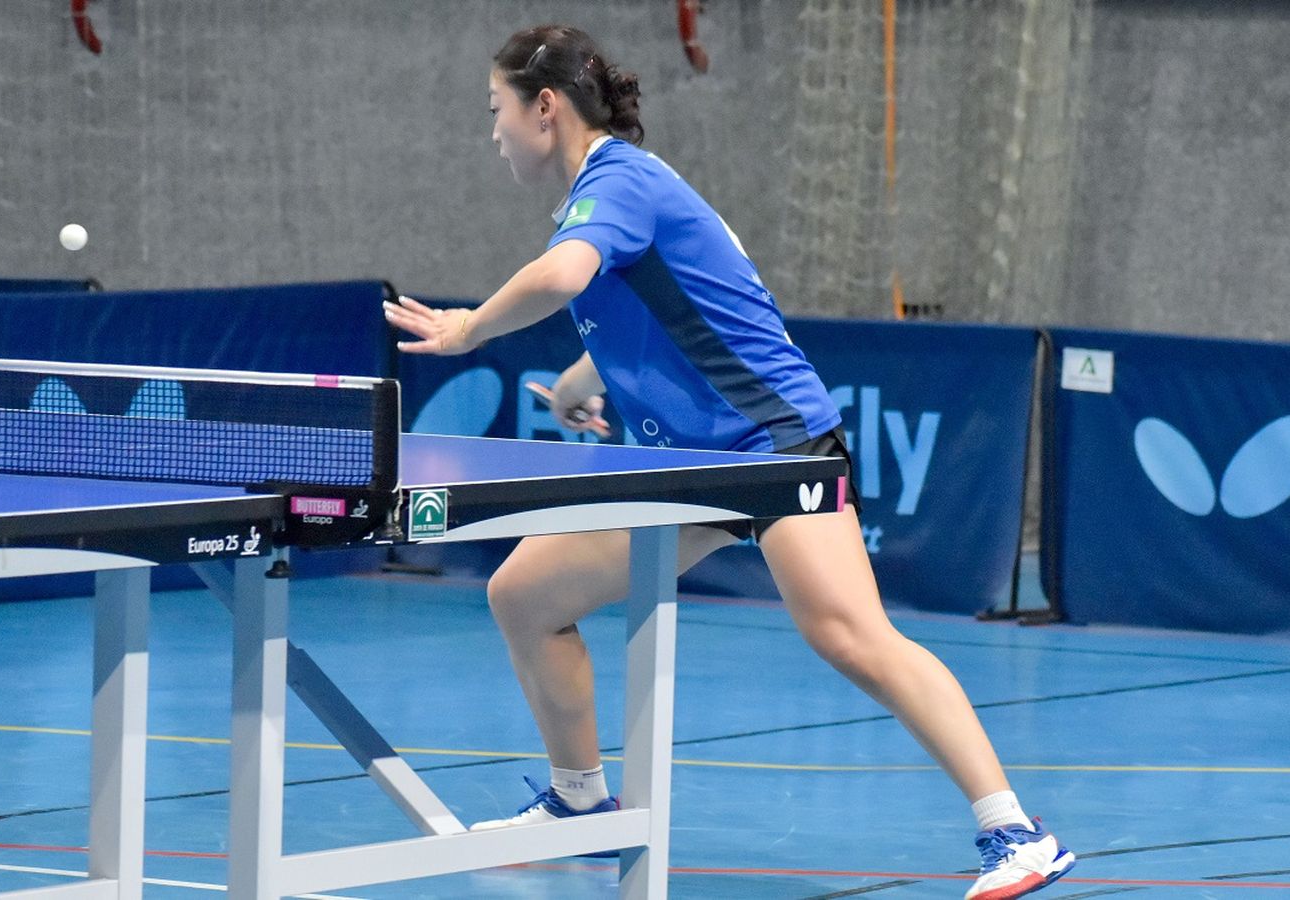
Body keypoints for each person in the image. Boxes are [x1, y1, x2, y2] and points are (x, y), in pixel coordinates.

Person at [382, 23, 1075, 900]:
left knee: (851, 635)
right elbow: (669, 304)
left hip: (774, 448)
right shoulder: (615, 193)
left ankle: (1016, 832)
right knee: (524, 595)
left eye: (497, 109)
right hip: (692, 472)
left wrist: (468, 328)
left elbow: (561, 278)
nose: (493, 131)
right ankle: (580, 800)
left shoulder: (619, 182)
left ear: (545, 107)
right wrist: (580, 382)